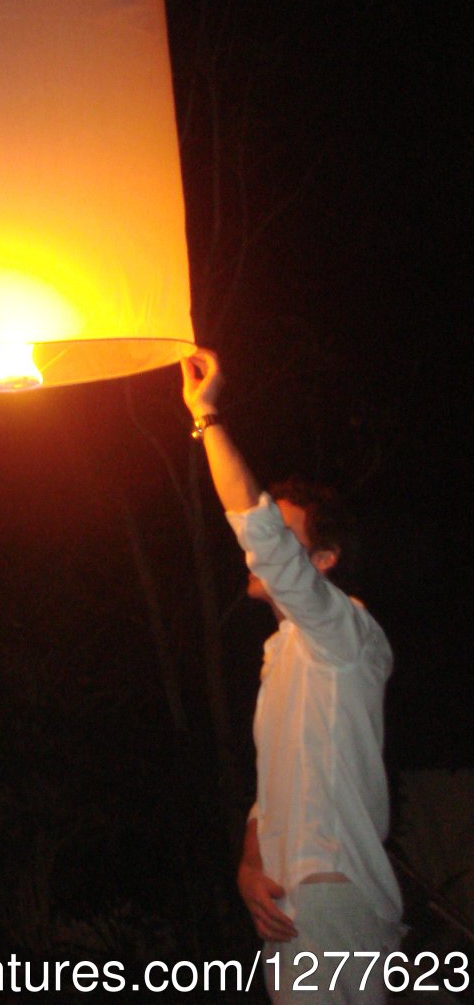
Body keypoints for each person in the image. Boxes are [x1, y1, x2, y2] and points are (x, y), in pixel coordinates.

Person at [181, 349, 403, 1005]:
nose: (265, 544)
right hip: (300, 895)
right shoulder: (283, 653)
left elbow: (263, 539)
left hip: (331, 891)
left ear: (325, 560)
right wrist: (251, 863)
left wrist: (208, 418)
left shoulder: (347, 634)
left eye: (286, 530)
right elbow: (278, 785)